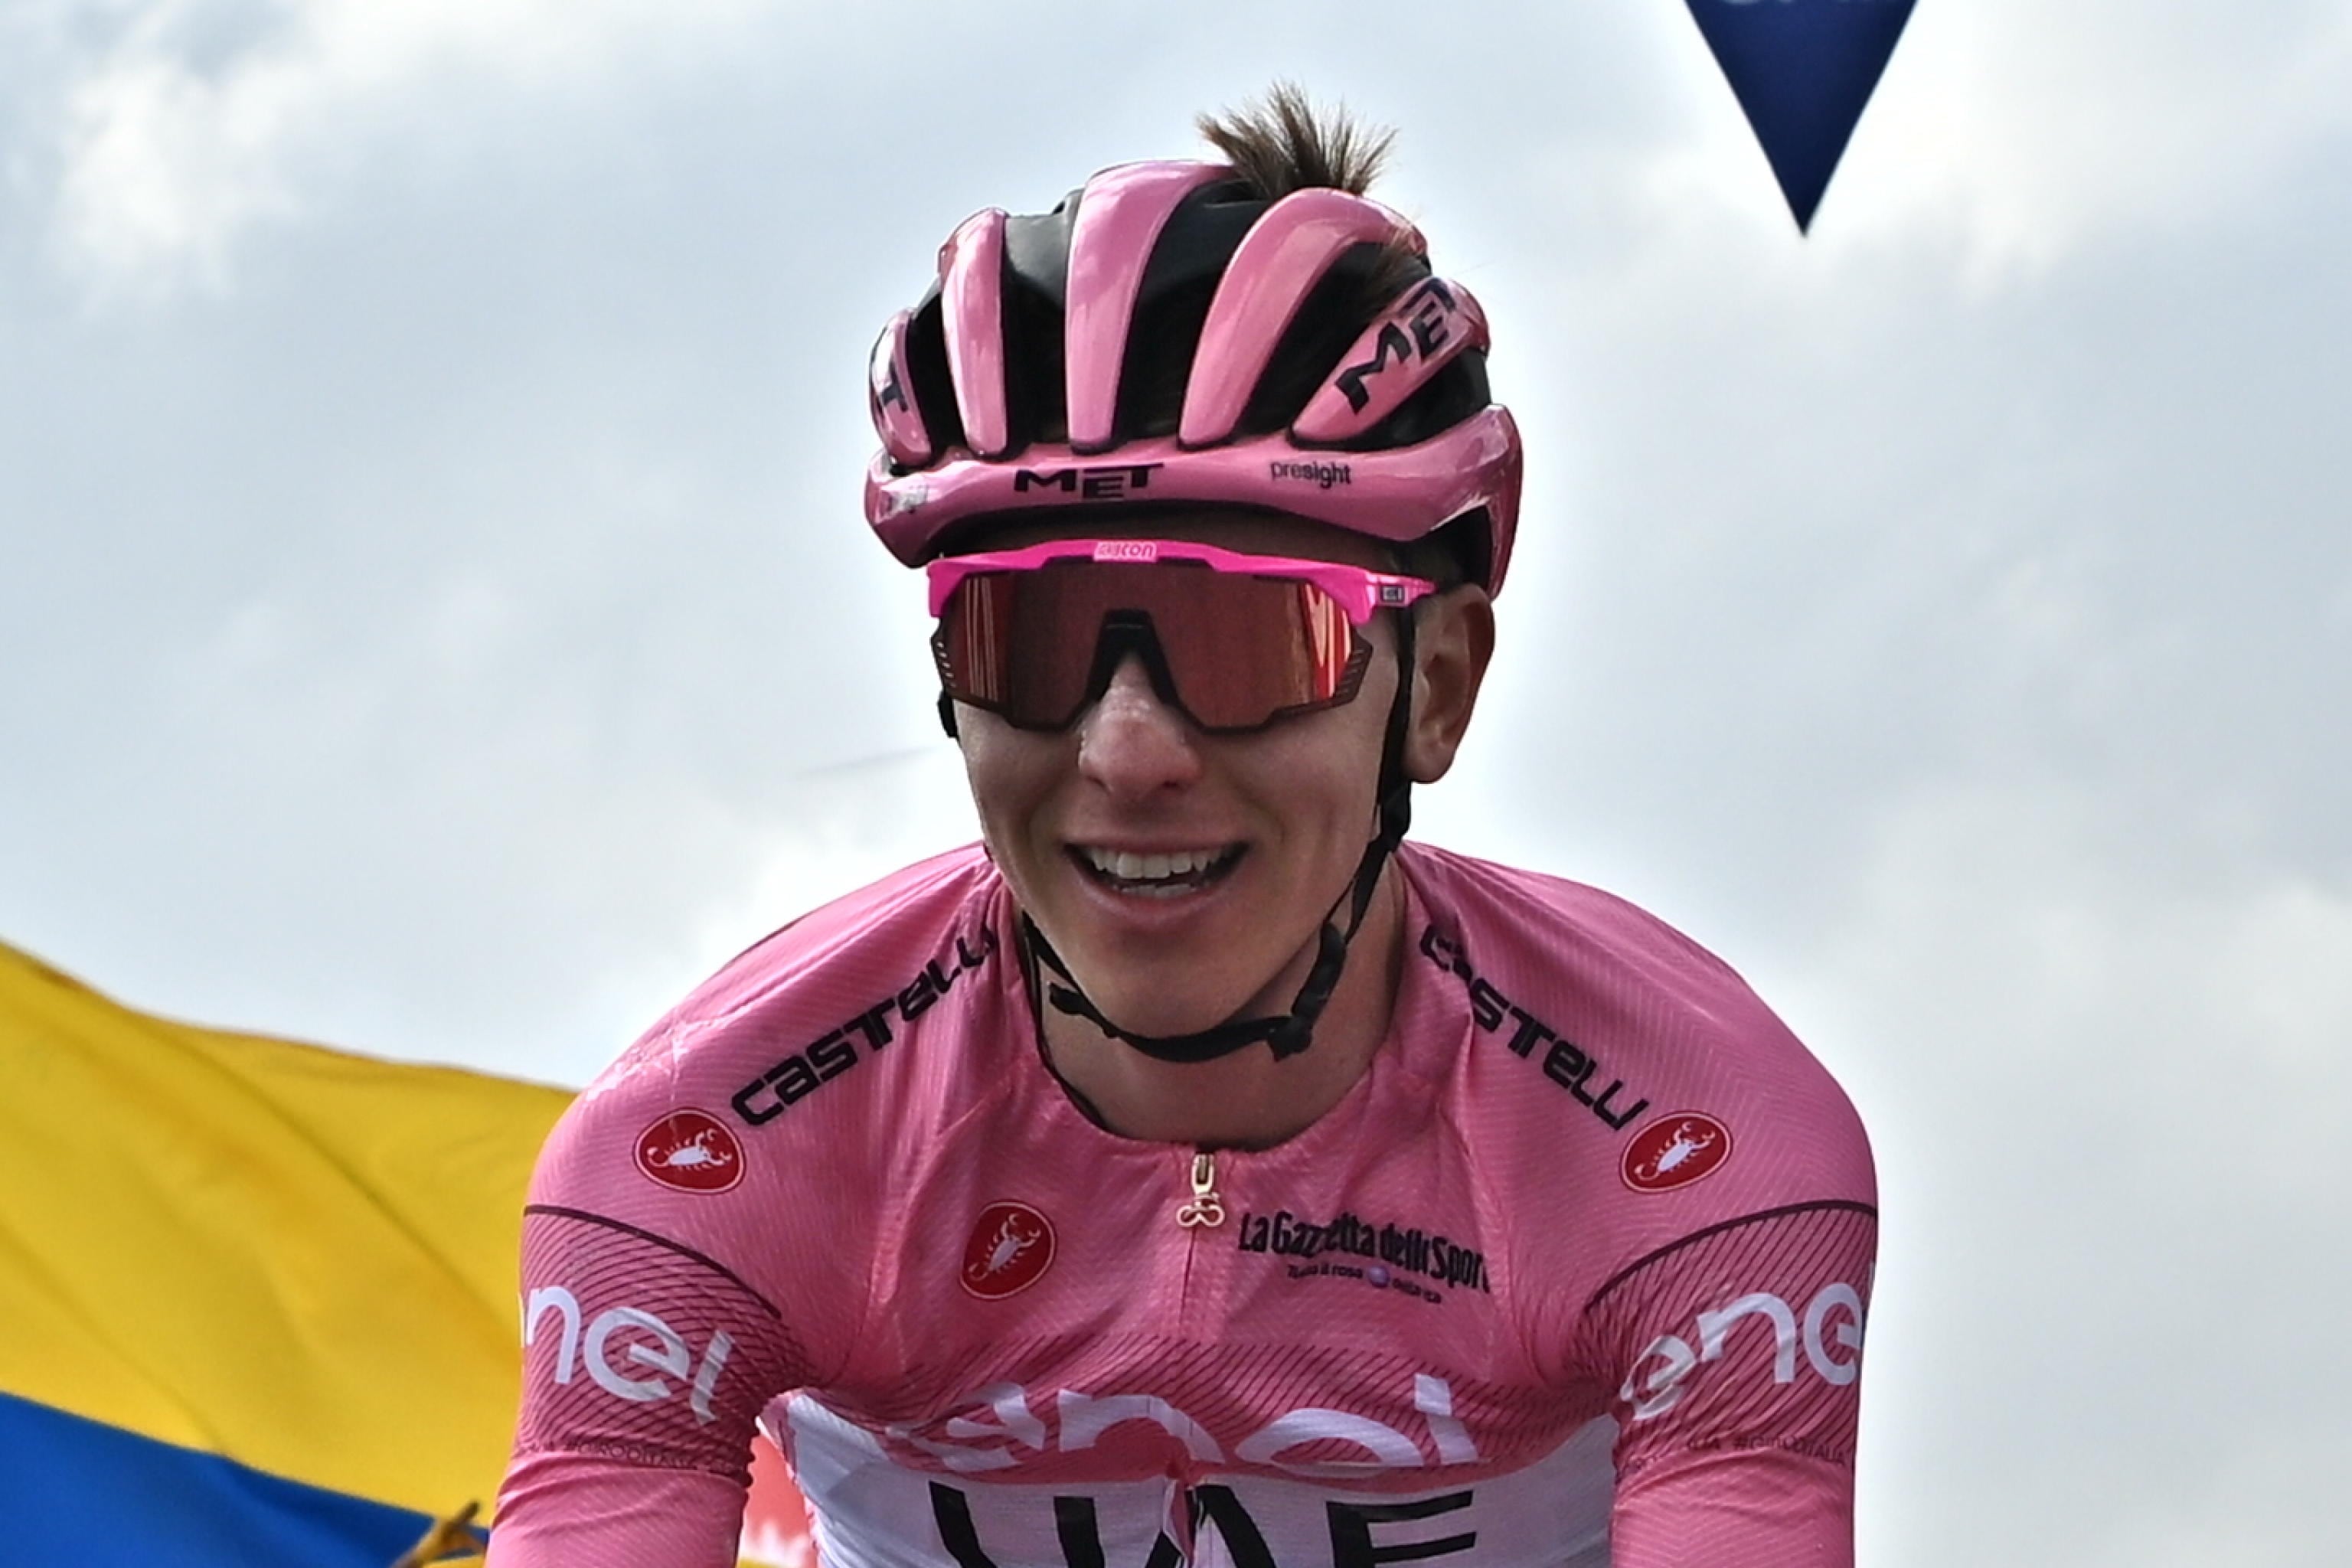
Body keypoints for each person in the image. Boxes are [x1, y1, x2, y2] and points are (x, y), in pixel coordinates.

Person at [487, 87, 1876, 1568]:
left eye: (1249, 647)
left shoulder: (1690, 1148)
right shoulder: (708, 1145)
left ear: (1440, 690)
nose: (1126, 749)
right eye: (1032, 639)